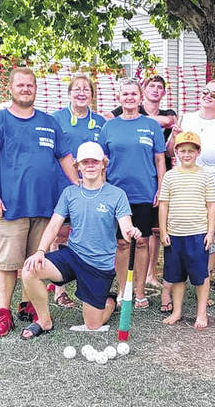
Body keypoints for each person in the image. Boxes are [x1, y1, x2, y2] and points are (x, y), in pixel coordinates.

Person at [0, 67, 78, 337]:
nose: (25, 89)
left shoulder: (48, 122)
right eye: (20, 85)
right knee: (8, 263)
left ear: (35, 88)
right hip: (11, 207)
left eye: (30, 85)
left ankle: (28, 306)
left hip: (44, 207)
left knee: (36, 263)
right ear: (10, 88)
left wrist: (78, 185)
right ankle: (3, 313)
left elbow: (65, 156)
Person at [21, 142, 142, 338]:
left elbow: (126, 227)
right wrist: (41, 251)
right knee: (29, 270)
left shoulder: (117, 195)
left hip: (99, 265)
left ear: (103, 164)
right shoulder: (70, 193)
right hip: (73, 255)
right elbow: (53, 226)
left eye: (95, 161)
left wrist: (132, 232)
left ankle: (109, 302)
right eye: (85, 162)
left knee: (93, 325)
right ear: (78, 167)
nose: (90, 166)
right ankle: (44, 321)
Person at [99, 78, 166, 310]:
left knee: (142, 241)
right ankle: (123, 290)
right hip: (116, 195)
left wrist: (161, 187)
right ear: (119, 97)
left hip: (144, 193)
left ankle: (139, 291)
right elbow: (102, 163)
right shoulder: (109, 127)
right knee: (121, 243)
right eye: (125, 94)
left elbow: (160, 159)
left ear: (140, 98)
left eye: (133, 94)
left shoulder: (151, 126)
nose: (129, 98)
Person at [167, 79, 215, 286]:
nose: (208, 96)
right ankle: (178, 283)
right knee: (181, 233)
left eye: (214, 94)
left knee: (210, 237)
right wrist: (173, 137)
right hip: (184, 188)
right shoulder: (186, 118)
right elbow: (171, 151)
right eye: (205, 91)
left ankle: (204, 285)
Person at [50, 74, 107, 308]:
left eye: (86, 89)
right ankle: (59, 289)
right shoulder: (56, 118)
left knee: (90, 232)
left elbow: (105, 156)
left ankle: (89, 281)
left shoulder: (101, 121)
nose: (82, 93)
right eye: (77, 89)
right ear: (69, 93)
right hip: (61, 185)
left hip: (92, 188)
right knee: (59, 235)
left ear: (92, 95)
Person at [158, 131, 215, 328]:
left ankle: (202, 313)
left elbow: (211, 205)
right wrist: (164, 230)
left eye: (191, 151)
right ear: (176, 152)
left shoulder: (205, 176)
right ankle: (177, 311)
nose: (186, 154)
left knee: (201, 276)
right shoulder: (169, 176)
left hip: (198, 235)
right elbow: (164, 204)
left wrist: (210, 232)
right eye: (182, 150)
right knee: (177, 276)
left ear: (198, 152)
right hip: (175, 235)